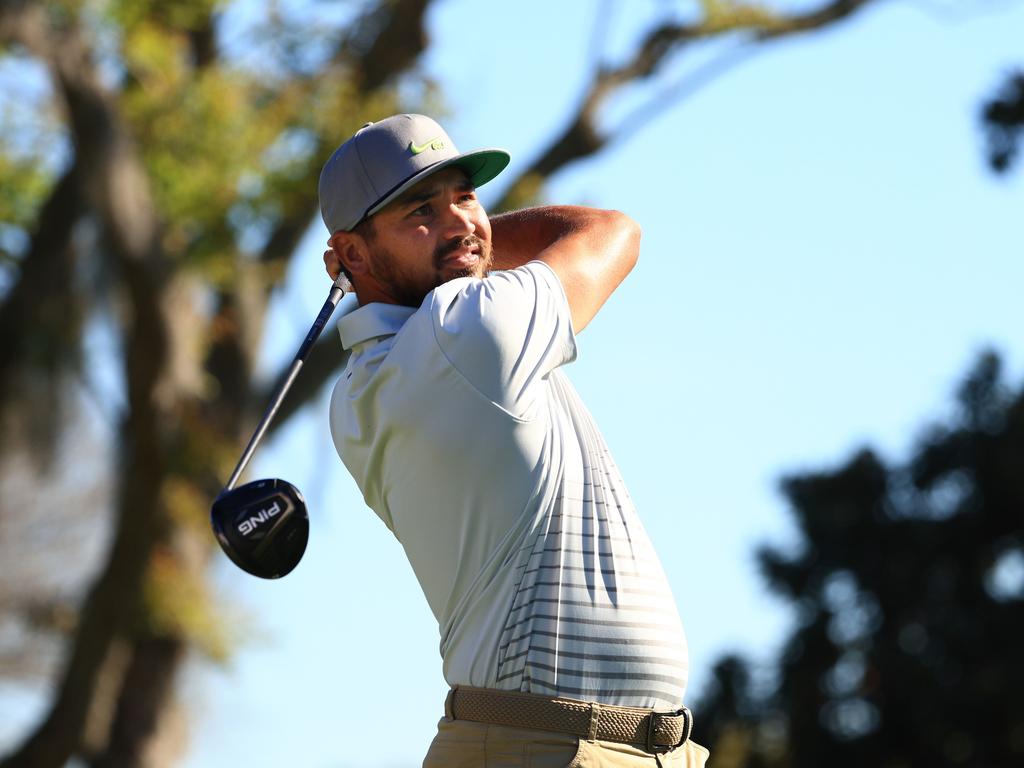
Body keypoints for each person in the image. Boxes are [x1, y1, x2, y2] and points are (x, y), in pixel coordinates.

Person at [318, 114, 709, 767]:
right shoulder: (461, 331)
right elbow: (611, 232)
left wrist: (462, 240)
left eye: (466, 197)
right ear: (351, 255)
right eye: (421, 210)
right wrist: (480, 240)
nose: (461, 223)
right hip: (551, 748)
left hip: (579, 745)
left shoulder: (358, 391)